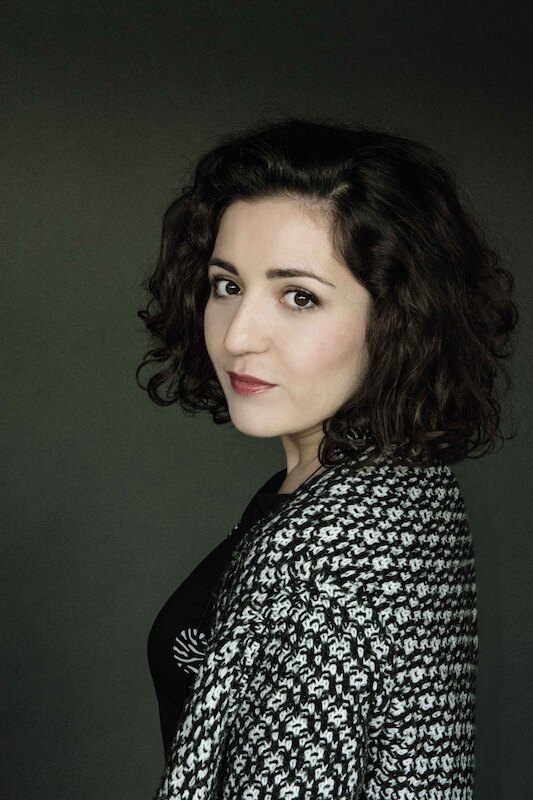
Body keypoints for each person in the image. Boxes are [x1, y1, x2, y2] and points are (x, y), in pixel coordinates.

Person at [136, 117, 518, 799]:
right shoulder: (400, 484)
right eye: (227, 285)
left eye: (299, 296)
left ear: (397, 318)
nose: (239, 336)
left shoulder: (326, 551)